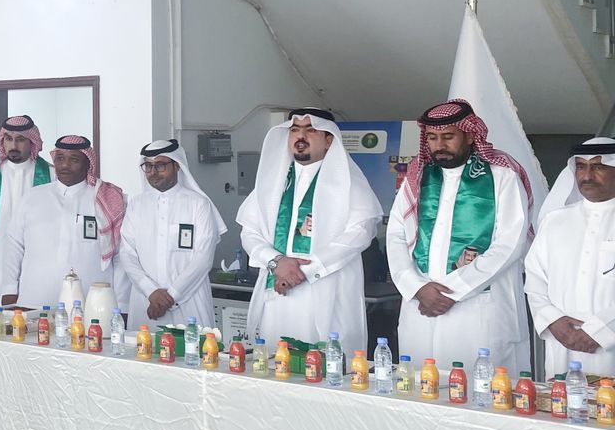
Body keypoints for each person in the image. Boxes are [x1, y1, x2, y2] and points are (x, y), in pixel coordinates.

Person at [386, 100, 532, 369]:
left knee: (482, 384)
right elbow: (396, 233)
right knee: (419, 382)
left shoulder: (501, 175)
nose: (439, 145)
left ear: (469, 135)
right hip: (421, 302)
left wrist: (453, 290)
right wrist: (415, 286)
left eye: (448, 136)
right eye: (432, 137)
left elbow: (511, 241)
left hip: (479, 304)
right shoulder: (419, 175)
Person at [237, 108, 382, 354]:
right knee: (275, 360)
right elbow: (249, 232)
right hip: (277, 289)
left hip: (326, 290)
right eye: (295, 130)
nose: (301, 136)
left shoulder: (348, 183)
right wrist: (276, 262)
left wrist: (304, 270)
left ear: (329, 140)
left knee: (323, 362)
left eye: (311, 130)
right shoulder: (272, 183)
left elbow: (360, 233)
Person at [1, 134, 126, 308]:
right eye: (60, 159)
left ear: (88, 163)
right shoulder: (32, 197)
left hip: (93, 303)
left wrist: (122, 303)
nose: (65, 165)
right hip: (34, 299)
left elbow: (120, 256)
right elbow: (14, 246)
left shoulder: (107, 199)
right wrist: (9, 289)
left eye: (74, 159)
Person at [525, 137, 615, 377]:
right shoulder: (555, 220)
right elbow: (534, 279)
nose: (587, 176)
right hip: (562, 342)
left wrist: (602, 331)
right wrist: (552, 321)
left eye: (599, 167)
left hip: (610, 346)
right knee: (560, 398)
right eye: (581, 167)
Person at [116, 139, 224, 332]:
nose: (153, 172)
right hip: (145, 301)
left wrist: (171, 296)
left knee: (194, 349)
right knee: (143, 349)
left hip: (190, 302)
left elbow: (203, 258)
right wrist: (151, 292)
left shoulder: (199, 204)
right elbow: (127, 253)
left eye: (160, 165)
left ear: (177, 165)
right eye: (148, 166)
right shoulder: (136, 205)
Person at [0, 115, 51, 309]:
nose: (13, 145)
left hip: (36, 250)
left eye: (20, 139)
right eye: (8, 139)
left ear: (32, 142)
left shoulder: (50, 174)